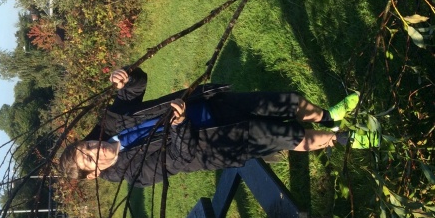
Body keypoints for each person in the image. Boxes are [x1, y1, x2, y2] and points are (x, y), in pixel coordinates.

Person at [59, 67, 375, 187]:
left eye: (86, 147)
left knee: (285, 102)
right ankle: (345, 138)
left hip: (211, 105)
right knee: (289, 137)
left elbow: (135, 87)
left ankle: (328, 116)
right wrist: (179, 125)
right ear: (94, 174)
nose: (94, 150)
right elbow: (179, 159)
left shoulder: (111, 121)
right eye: (89, 159)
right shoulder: (135, 173)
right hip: (219, 143)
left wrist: (126, 75)